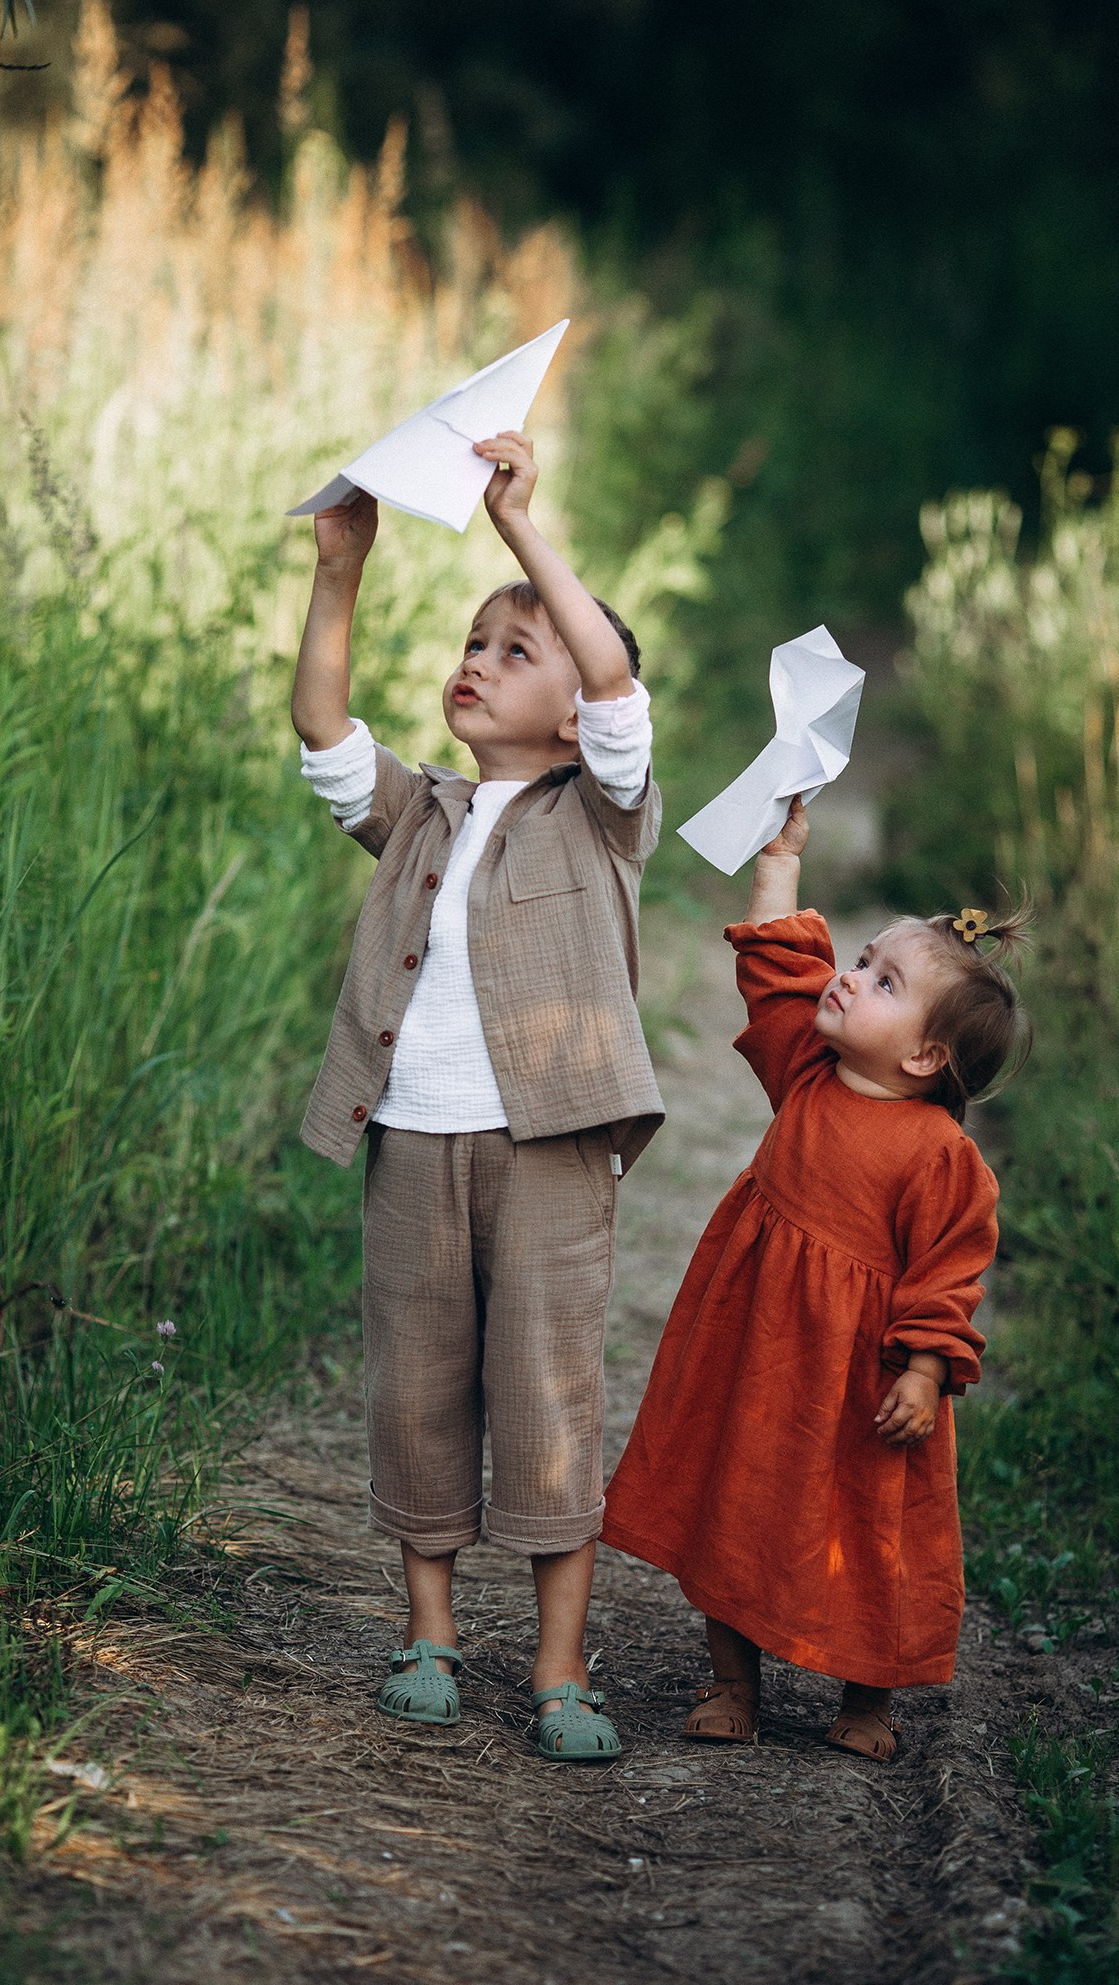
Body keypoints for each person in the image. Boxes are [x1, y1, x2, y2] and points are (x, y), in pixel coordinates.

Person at [292, 429, 664, 1761]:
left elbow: (616, 688)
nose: (475, 661)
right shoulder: (426, 814)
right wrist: (340, 573)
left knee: (548, 1394)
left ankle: (562, 1665)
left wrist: (518, 532)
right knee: (419, 1387)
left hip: (552, 1149)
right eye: (471, 641)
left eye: (518, 649)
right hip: (412, 1140)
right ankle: (429, 1632)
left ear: (574, 709)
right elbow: (328, 737)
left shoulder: (604, 812)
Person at [602, 795, 1031, 1762]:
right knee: (736, 1492)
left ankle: (866, 1700)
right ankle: (730, 1680)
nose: (849, 977)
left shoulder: (938, 1157)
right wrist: (779, 859)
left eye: (881, 981)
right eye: (861, 960)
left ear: (925, 1055)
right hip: (756, 1351)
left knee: (869, 1524)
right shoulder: (806, 1069)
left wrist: (922, 1372)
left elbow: (948, 1272)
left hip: (858, 1380)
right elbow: (779, 972)